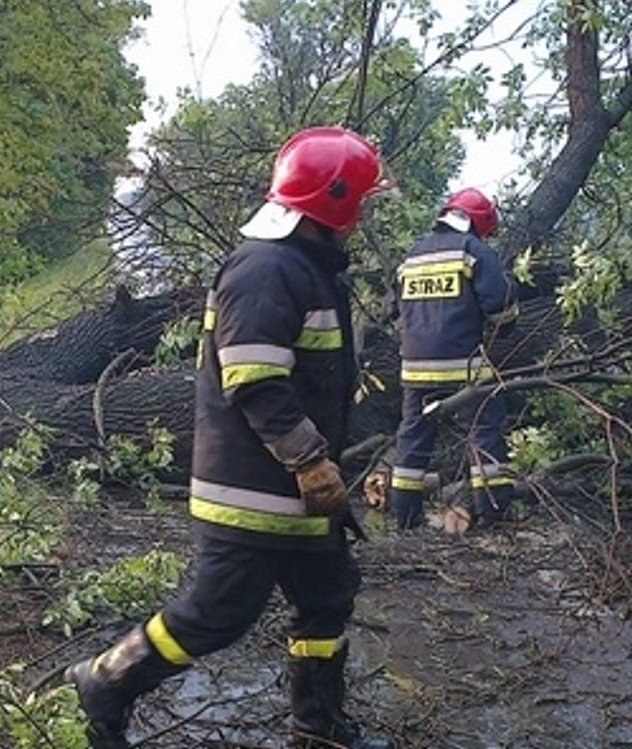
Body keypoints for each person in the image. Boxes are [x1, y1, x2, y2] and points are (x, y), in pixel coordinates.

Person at [65, 126, 395, 749]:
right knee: (216, 615)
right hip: (254, 492)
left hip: (294, 493)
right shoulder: (267, 269)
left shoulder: (306, 267)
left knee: (327, 601)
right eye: (361, 202)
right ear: (336, 201)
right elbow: (255, 380)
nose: (363, 217)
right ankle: (105, 680)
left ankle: (316, 728)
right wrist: (311, 459)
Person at [387, 188, 520, 531]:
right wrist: (504, 328)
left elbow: (391, 310)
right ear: (479, 223)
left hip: (414, 368)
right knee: (484, 431)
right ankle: (493, 511)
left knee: (413, 435)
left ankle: (404, 515)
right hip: (464, 368)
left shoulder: (412, 255)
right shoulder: (474, 251)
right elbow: (501, 307)